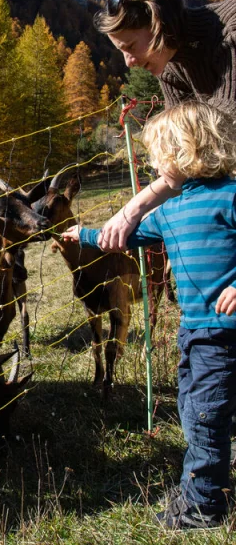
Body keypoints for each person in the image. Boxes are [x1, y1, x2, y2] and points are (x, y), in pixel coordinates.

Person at [62, 101, 236, 530]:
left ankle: (202, 508)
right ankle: (199, 487)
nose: (153, 166)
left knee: (206, 416)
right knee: (193, 409)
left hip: (226, 331)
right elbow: (122, 235)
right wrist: (80, 234)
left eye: (158, 156)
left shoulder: (230, 196)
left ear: (185, 151)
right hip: (193, 332)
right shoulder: (171, 212)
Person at [92, 0, 236, 252]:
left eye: (130, 47)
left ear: (159, 23)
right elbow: (186, 158)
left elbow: (222, 136)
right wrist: (131, 212)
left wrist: (137, 205)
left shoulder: (230, 32)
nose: (129, 62)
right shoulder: (169, 66)